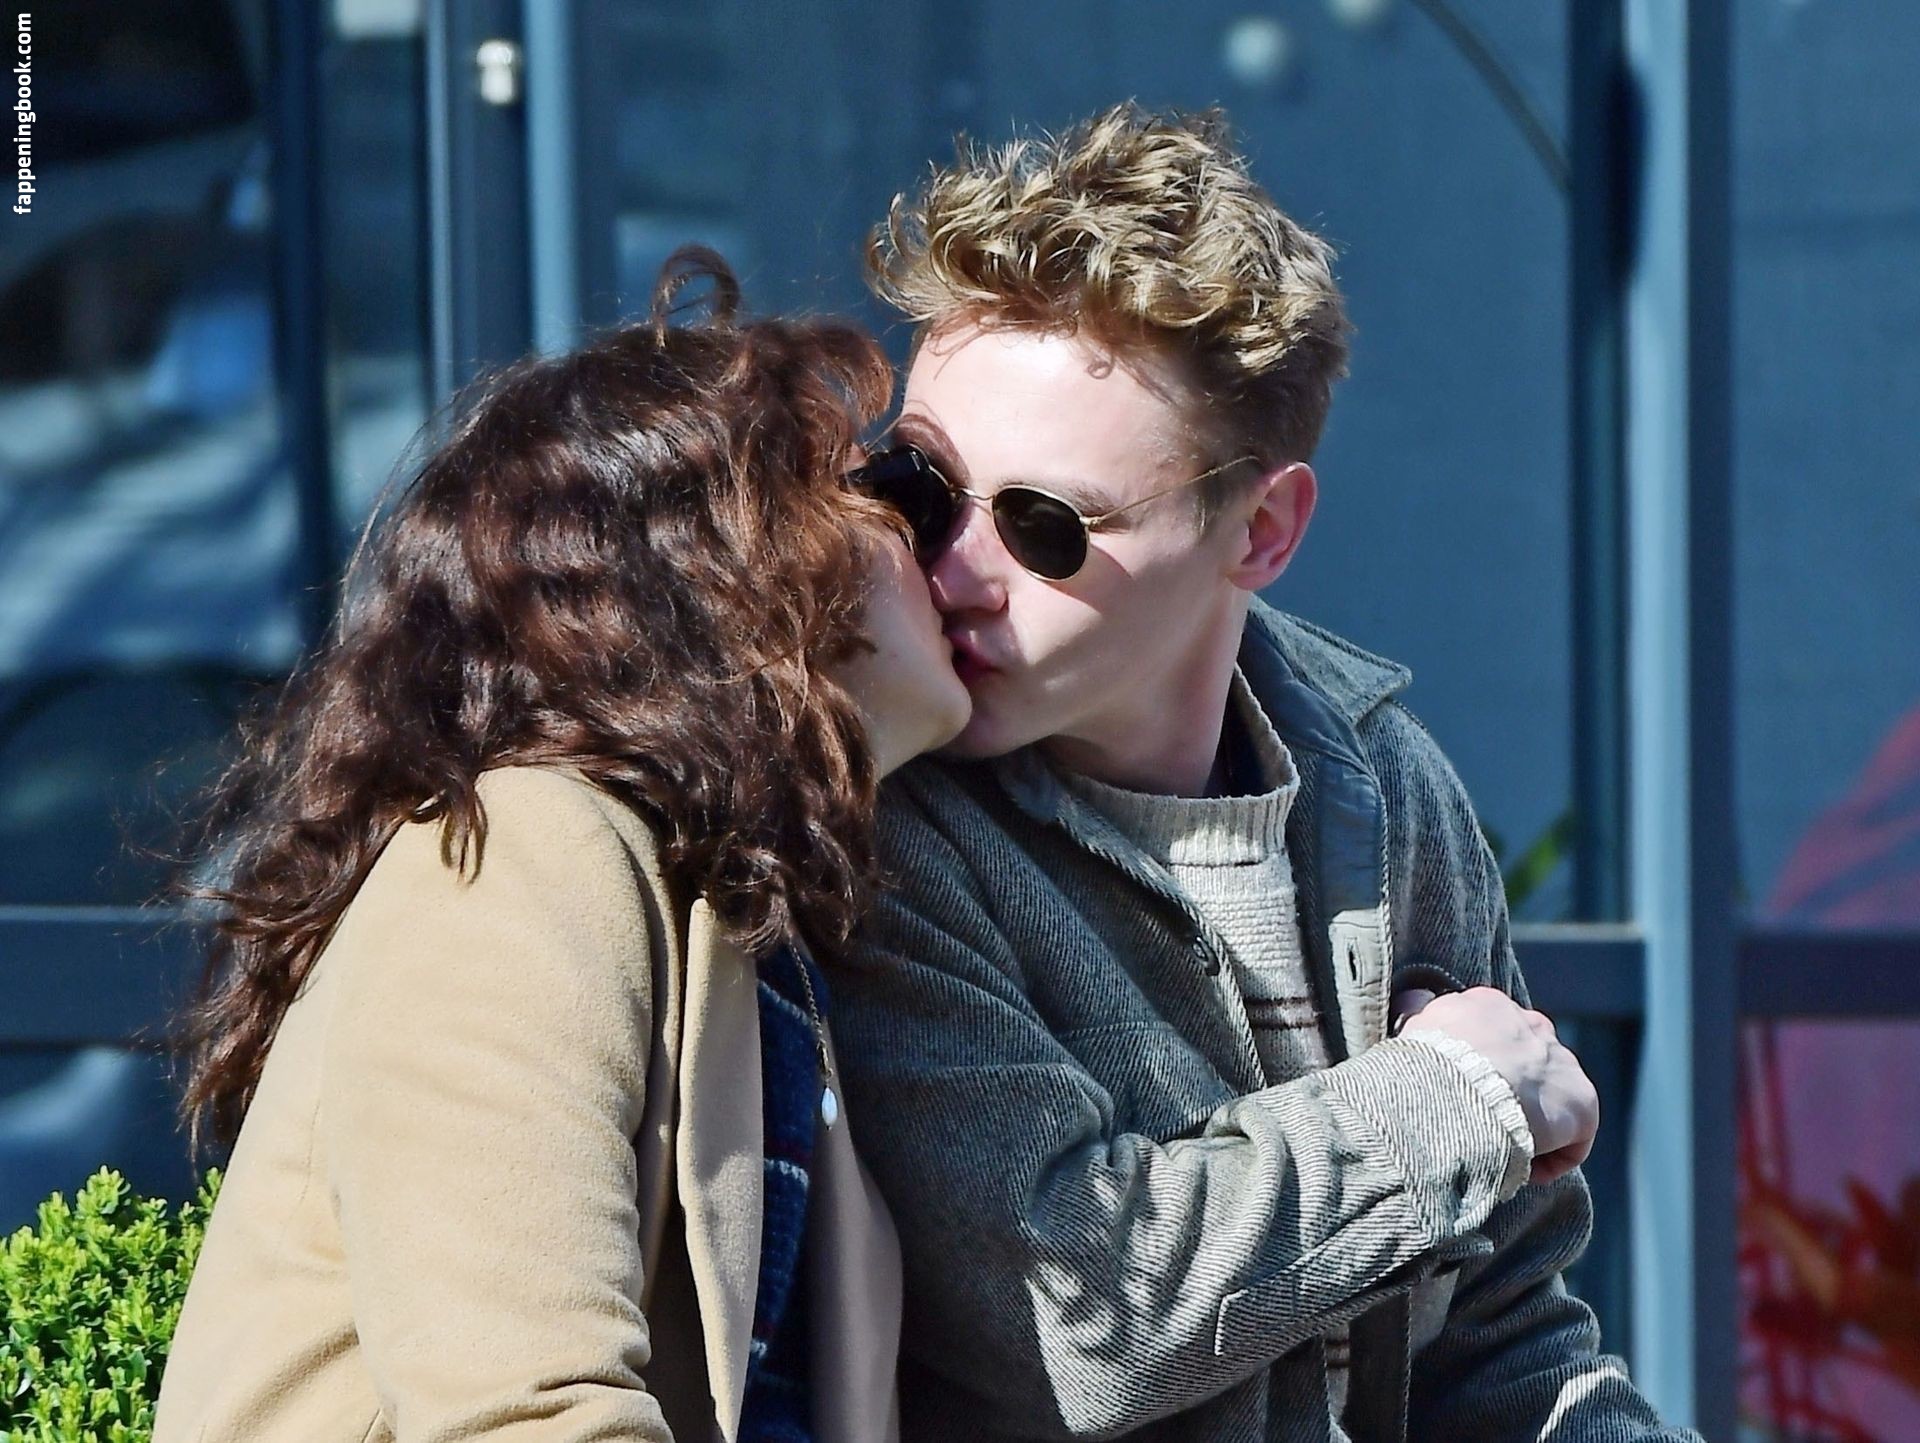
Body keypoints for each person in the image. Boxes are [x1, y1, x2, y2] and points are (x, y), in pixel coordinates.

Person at [829, 106, 1700, 1441]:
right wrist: (1447, 1098)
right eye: (923, 486)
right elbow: (1081, 1321)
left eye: (1046, 525)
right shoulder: (887, 821)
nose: (955, 570)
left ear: (1263, 530)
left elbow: (1500, 1339)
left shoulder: (1385, 790)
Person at [153, 251, 969, 1443]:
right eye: (892, 494)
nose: (950, 554)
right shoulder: (520, 856)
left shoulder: (746, 924)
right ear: (733, 563)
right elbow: (525, 1416)